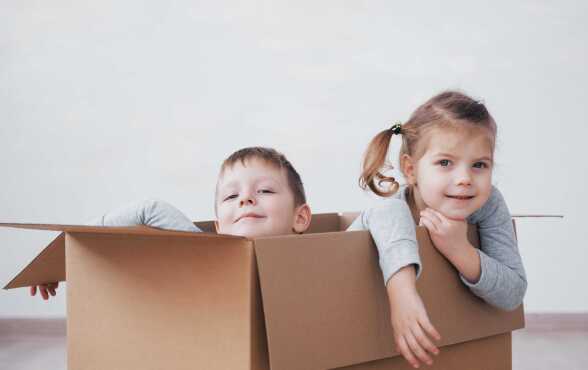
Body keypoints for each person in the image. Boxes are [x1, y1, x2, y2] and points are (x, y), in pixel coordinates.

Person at [348, 91, 527, 369]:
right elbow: (383, 213)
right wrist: (403, 295)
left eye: (479, 165)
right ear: (410, 169)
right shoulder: (393, 209)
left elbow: (513, 293)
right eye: (445, 163)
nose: (465, 179)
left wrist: (461, 251)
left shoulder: (489, 204)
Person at [30, 146, 312, 299]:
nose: (246, 199)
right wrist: (61, 257)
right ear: (217, 226)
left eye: (264, 190)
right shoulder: (202, 251)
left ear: (300, 218)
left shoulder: (317, 259)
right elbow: (149, 209)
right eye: (231, 195)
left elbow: (359, 225)